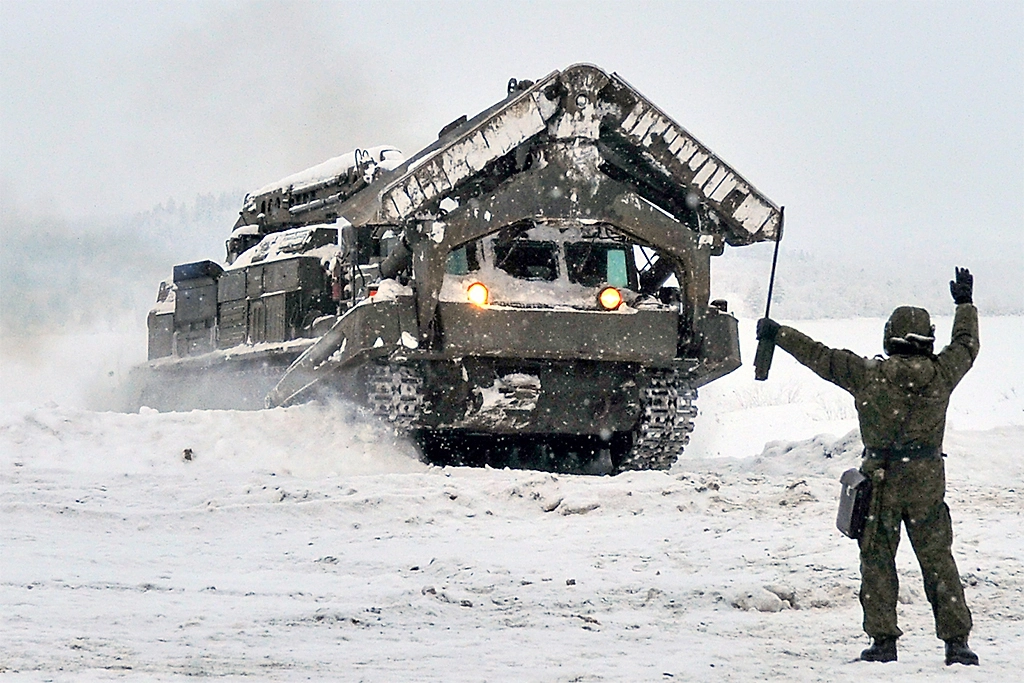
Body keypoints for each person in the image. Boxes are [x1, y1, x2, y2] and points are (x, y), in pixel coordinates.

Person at [756, 267, 980, 666]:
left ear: (889, 337)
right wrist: (964, 303)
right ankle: (957, 643)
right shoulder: (943, 374)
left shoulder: (868, 375)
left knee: (877, 561)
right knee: (938, 559)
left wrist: (778, 333)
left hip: (881, 479)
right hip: (927, 479)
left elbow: (818, 355)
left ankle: (883, 641)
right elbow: (966, 344)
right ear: (928, 339)